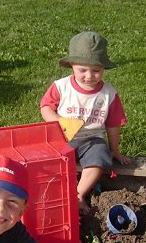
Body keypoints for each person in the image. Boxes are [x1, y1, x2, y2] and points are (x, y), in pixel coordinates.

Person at [40, 31, 131, 214]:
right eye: (82, 70)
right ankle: (53, 192)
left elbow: (113, 125)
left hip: (92, 138)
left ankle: (78, 195)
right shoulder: (61, 87)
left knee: (98, 160)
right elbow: (45, 107)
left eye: (96, 71)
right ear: (72, 66)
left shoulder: (108, 94)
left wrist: (114, 150)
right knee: (50, 160)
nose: (89, 76)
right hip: (63, 135)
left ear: (103, 68)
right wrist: (58, 120)